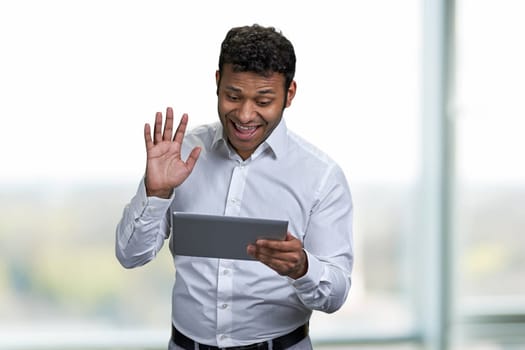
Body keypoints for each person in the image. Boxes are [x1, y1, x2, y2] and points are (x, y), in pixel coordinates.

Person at [115, 24, 354, 350]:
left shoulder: (321, 177)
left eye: (264, 100)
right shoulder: (180, 156)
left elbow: (335, 294)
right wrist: (156, 193)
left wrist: (303, 267)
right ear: (217, 83)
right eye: (233, 96)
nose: (244, 114)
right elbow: (131, 256)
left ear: (290, 94)